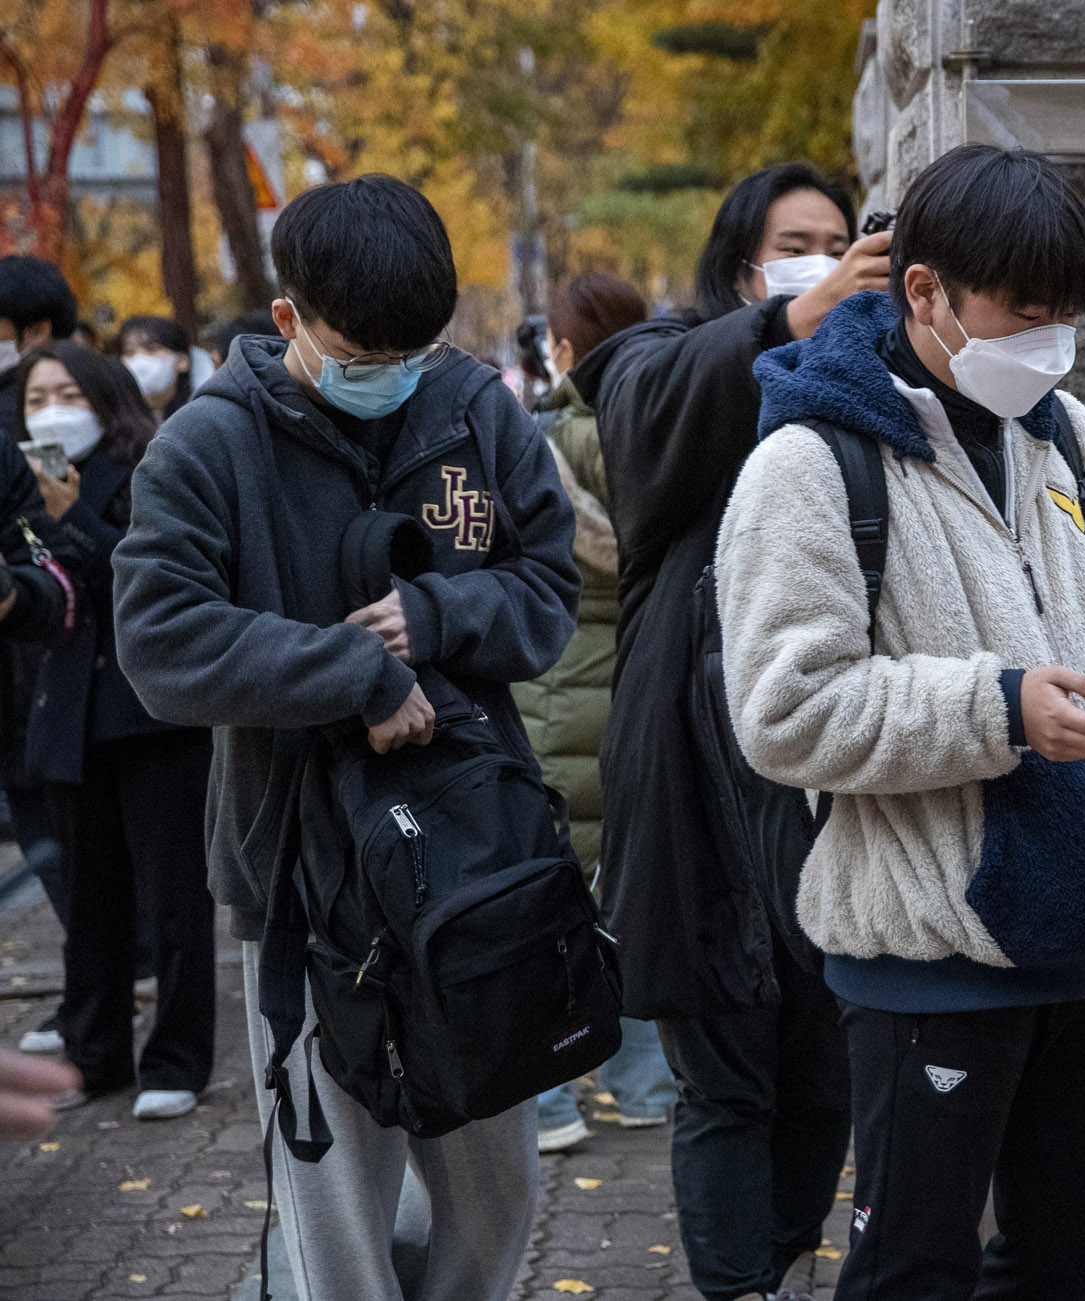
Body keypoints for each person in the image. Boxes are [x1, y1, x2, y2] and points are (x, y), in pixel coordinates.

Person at [716, 143, 1085, 1301]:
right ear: (923, 292)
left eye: (1067, 319)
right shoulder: (806, 463)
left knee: (1066, 1253)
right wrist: (997, 708)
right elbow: (783, 712)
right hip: (926, 956)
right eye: (1025, 315)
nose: (1048, 344)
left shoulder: (1061, 431)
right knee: (910, 1270)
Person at [112, 173, 580, 1301]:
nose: (392, 373)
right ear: (287, 322)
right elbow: (159, 640)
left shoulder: (474, 407)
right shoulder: (207, 445)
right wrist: (354, 671)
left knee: (493, 1185)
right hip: (296, 878)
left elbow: (548, 592)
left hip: (474, 861)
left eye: (414, 347)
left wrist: (437, 616)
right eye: (361, 350)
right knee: (337, 1212)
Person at [582, 161, 887, 1301]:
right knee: (725, 1081)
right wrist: (795, 316)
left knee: (823, 1076)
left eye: (839, 240)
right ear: (741, 264)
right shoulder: (663, 356)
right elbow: (642, 416)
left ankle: (772, 1266)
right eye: (795, 241)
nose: (822, 256)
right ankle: (734, 1287)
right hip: (695, 778)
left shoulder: (869, 379)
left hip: (828, 776)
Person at [17, 342, 216, 1120]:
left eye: (66, 392)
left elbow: (148, 579)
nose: (50, 411)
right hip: (67, 717)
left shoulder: (145, 470)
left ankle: (177, 1056)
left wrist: (71, 520)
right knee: (87, 899)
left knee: (173, 901)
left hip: (151, 719)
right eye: (35, 399)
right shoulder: (21, 486)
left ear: (104, 399)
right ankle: (94, 1052)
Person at [514, 271, 680, 1153]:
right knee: (633, 895)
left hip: (554, 689)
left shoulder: (539, 443)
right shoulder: (667, 430)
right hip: (648, 684)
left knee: (549, 902)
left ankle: (546, 1101)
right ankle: (648, 1084)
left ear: (569, 351)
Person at [0, 254, 78, 1049]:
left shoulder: (40, 427)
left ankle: (108, 977)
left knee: (55, 826)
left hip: (44, 666)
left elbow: (57, 551)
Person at [116, 315, 196, 417]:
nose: (139, 360)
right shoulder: (117, 422)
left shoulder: (200, 415)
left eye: (152, 349)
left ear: (182, 361)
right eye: (130, 352)